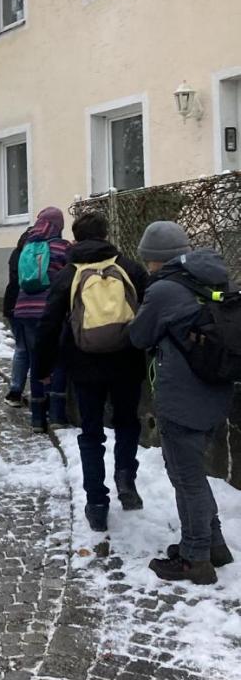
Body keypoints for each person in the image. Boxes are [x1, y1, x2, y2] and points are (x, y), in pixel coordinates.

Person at [129, 222, 236, 585]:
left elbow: (139, 335)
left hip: (181, 398)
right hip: (214, 390)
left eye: (147, 258)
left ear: (155, 258)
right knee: (195, 476)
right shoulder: (214, 278)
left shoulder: (163, 289)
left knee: (186, 479)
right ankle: (214, 545)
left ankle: (195, 559)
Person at [34, 212, 148, 533]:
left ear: (77, 238)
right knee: (127, 422)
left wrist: (43, 368)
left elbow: (48, 324)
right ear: (106, 234)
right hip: (127, 360)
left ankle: (97, 503)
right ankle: (126, 477)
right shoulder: (129, 268)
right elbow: (150, 310)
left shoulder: (68, 274)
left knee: (91, 432)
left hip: (84, 365)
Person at [12, 206, 70, 432]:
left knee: (36, 359)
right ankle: (56, 415)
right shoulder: (62, 247)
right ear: (58, 226)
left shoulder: (27, 246)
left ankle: (37, 418)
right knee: (58, 360)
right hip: (50, 312)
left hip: (24, 310)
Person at [2, 228, 30, 406]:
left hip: (12, 305)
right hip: (26, 306)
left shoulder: (16, 253)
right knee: (28, 349)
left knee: (21, 348)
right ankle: (34, 393)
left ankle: (15, 391)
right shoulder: (33, 255)